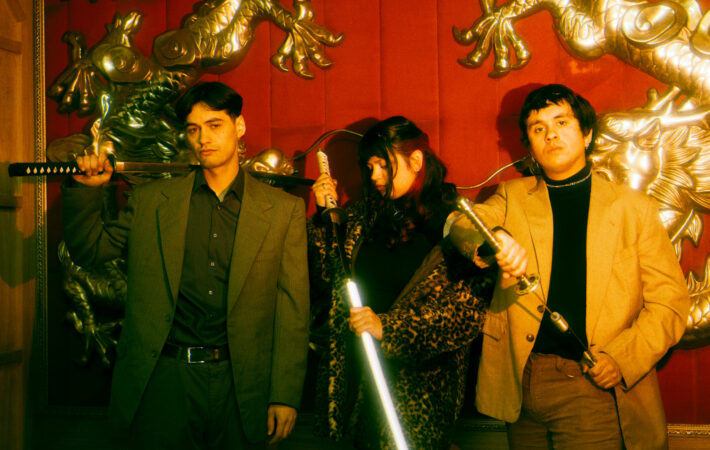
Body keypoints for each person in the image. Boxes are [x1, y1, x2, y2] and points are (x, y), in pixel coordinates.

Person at [61, 81, 310, 449]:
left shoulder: (282, 210)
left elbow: (293, 310)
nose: (203, 138)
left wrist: (285, 394)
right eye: (193, 129)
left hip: (243, 383)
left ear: (239, 126)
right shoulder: (152, 201)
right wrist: (86, 190)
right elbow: (90, 252)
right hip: (164, 379)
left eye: (214, 125)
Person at [447, 84, 690, 449]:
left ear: (586, 134)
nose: (551, 135)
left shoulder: (633, 209)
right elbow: (460, 224)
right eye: (538, 128)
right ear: (529, 144)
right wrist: (495, 238)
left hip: (592, 384)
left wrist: (621, 359)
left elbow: (670, 304)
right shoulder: (512, 197)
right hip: (520, 384)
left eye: (561, 122)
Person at [308, 116, 493, 449]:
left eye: (384, 165)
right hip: (358, 378)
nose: (375, 176)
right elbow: (329, 281)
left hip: (418, 392)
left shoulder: (453, 222)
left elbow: (465, 315)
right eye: (370, 167)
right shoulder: (363, 215)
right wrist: (326, 219)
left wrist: (388, 328)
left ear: (416, 160)